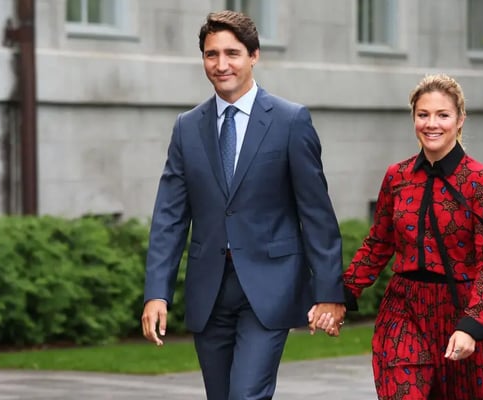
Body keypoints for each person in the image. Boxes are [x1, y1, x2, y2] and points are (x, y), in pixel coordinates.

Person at [141, 10, 346, 400]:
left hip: (269, 288)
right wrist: (156, 293)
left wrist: (330, 293)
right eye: (211, 54)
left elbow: (316, 213)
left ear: (254, 55)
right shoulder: (187, 127)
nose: (221, 65)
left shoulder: (291, 121)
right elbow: (169, 216)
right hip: (209, 289)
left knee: (246, 395)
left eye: (232, 53)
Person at [311, 73, 483, 399]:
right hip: (405, 308)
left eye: (443, 115)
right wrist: (341, 294)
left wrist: (471, 324)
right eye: (423, 114)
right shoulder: (397, 177)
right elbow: (378, 244)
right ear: (413, 118)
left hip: (461, 310)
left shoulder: (482, 181)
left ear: (460, 119)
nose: (431, 123)